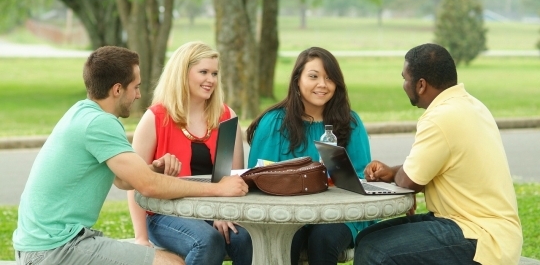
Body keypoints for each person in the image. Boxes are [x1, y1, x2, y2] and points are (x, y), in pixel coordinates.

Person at [12, 46, 248, 265]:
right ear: (117, 89)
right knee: (172, 263)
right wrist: (218, 188)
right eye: (135, 87)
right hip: (56, 248)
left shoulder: (82, 113)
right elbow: (148, 187)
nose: (138, 95)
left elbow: (124, 180)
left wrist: (152, 168)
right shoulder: (100, 123)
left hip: (50, 243)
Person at [354, 43, 522, 265]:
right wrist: (393, 171)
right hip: (482, 227)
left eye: (405, 78)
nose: (404, 85)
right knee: (366, 237)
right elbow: (421, 173)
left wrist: (399, 174)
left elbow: (410, 182)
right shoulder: (470, 105)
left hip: (482, 236)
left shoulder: (440, 117)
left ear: (421, 84)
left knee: (375, 250)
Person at [127, 41, 252, 265]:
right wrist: (141, 238)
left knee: (244, 238)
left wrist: (225, 213)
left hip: (214, 210)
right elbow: (133, 182)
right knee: (207, 240)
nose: (211, 80)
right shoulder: (155, 117)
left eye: (214, 73)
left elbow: (235, 178)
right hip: (164, 214)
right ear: (182, 73)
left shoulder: (226, 116)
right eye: (203, 72)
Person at [246, 46, 374, 265]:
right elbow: (258, 177)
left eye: (329, 78)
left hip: (338, 214)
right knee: (286, 241)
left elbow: (362, 177)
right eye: (313, 76)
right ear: (297, 80)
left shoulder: (349, 123)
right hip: (285, 215)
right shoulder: (274, 122)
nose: (322, 85)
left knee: (323, 239)